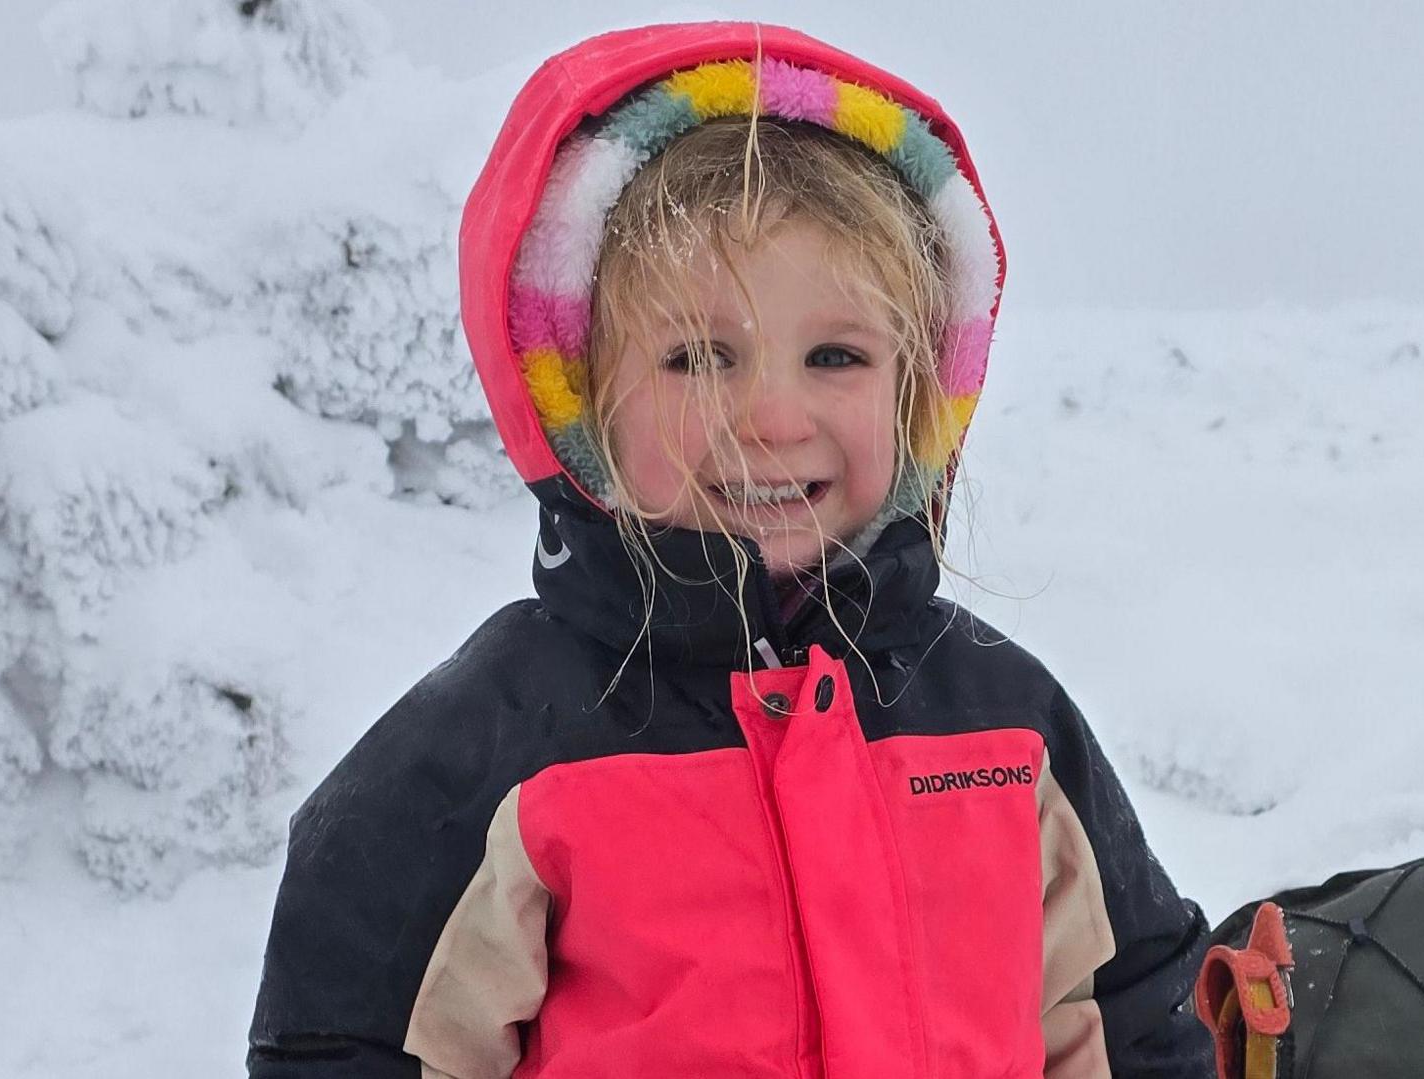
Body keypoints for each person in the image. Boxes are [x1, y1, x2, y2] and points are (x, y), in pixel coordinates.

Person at [248, 22, 1213, 1078]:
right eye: (697, 357)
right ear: (580, 402)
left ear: (917, 390)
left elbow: (1135, 1016)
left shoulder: (1006, 722)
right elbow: (348, 1041)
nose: (774, 418)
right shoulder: (504, 741)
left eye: (835, 354)